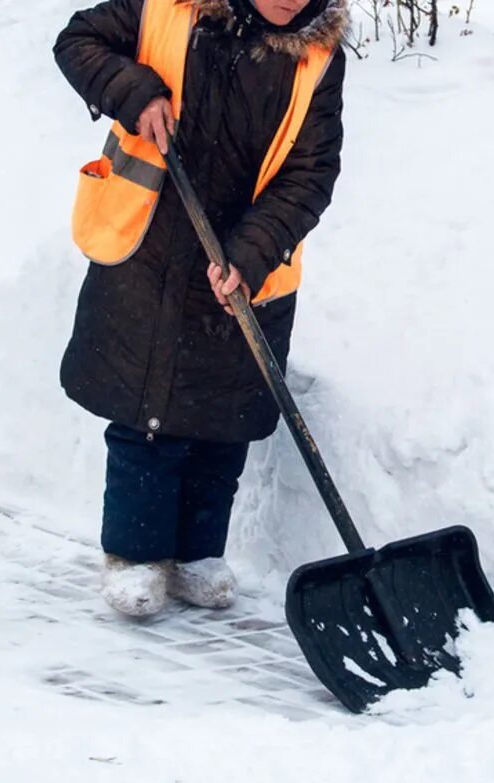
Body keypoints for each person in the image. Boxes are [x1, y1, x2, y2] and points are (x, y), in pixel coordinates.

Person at [53, 0, 347, 616]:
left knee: (222, 418)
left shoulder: (318, 56)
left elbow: (310, 173)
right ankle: (134, 556)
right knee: (146, 408)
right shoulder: (168, 9)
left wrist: (252, 251)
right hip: (151, 245)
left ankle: (195, 554)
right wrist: (135, 91)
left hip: (241, 264)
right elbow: (78, 42)